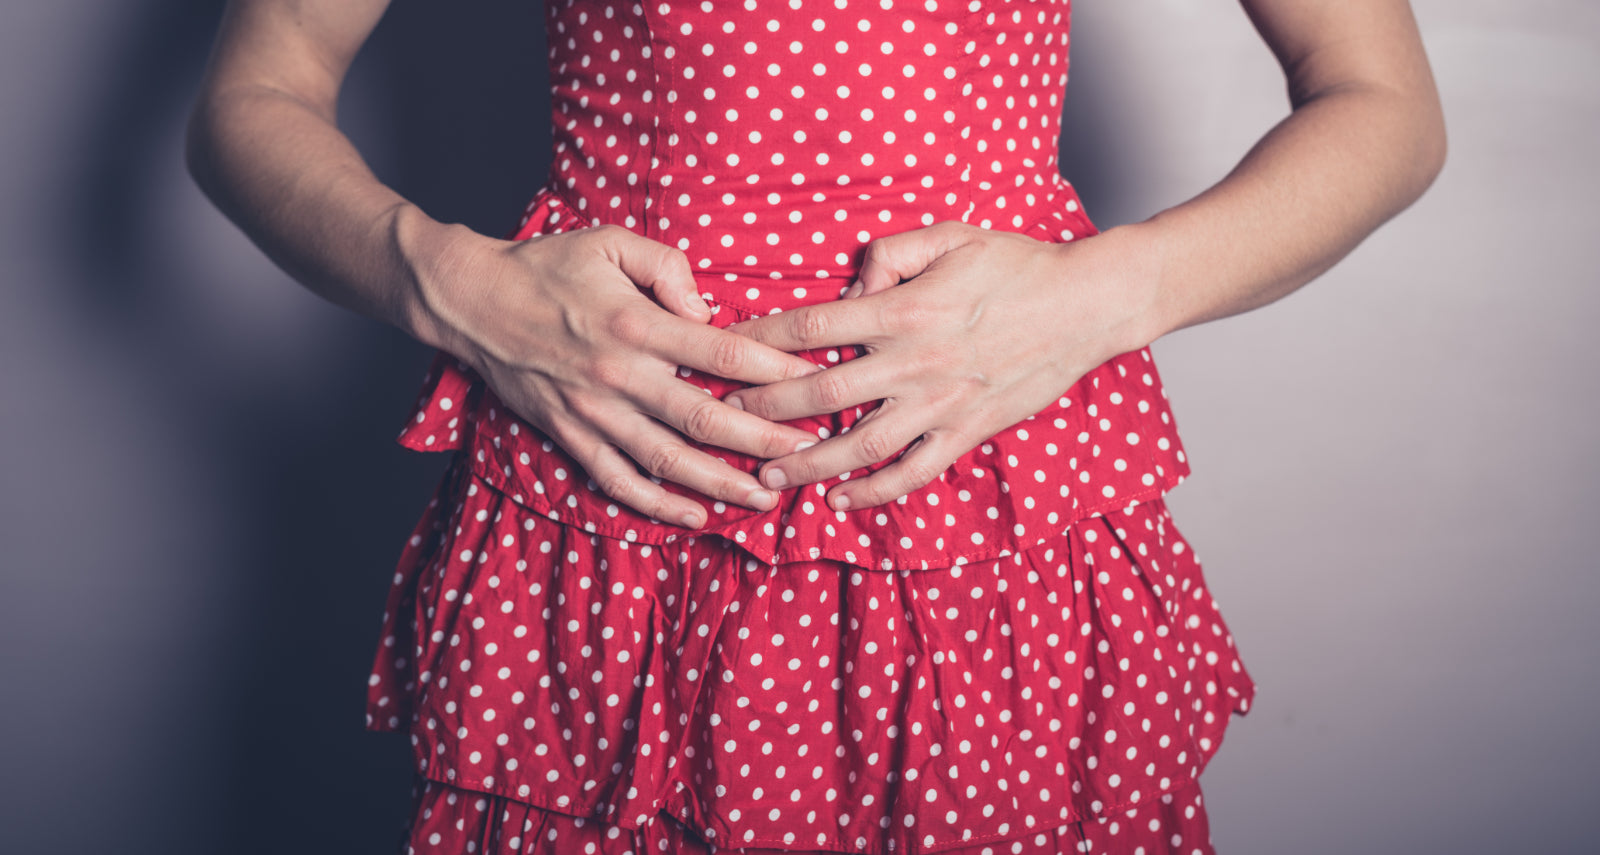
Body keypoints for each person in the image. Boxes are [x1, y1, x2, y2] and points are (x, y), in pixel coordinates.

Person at [186, 0, 1444, 852]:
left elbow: (1383, 104)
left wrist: (1104, 295)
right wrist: (450, 284)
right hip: (609, 539)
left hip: (980, 543)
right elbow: (260, 83)